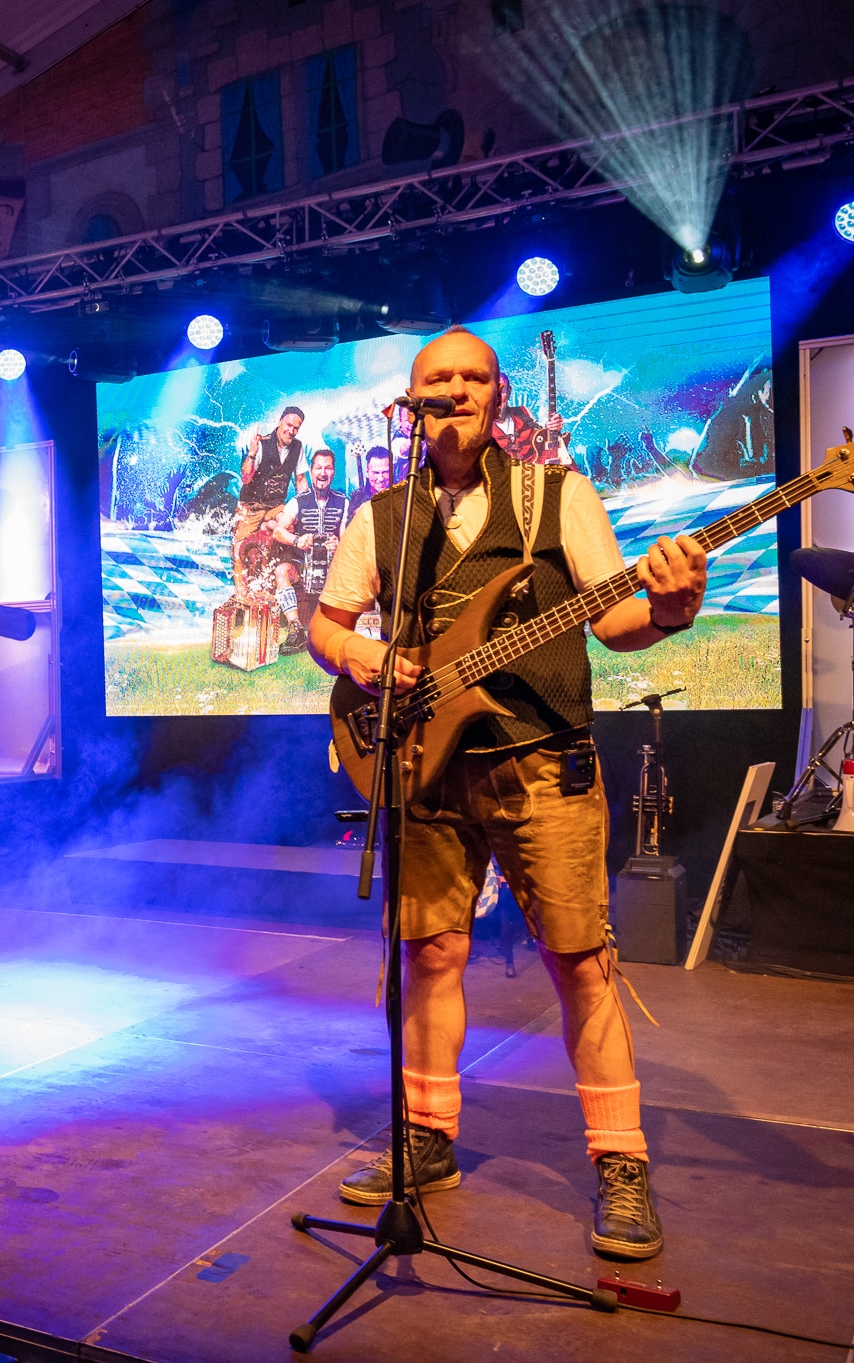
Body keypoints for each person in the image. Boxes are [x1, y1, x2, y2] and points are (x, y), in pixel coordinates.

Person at [310, 326, 707, 1261]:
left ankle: (620, 1158)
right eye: (437, 379)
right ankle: (427, 1136)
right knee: (431, 953)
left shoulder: (558, 495)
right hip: (423, 765)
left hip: (543, 760)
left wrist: (670, 608)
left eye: (473, 377)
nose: (455, 389)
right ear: (410, 403)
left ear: (498, 396)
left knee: (580, 960)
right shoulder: (383, 516)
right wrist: (368, 657)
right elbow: (326, 628)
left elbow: (614, 616)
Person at [272, 448, 350, 636]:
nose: (323, 473)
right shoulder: (298, 501)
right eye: (318, 468)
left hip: (332, 568)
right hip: (302, 566)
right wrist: (297, 540)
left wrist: (339, 546)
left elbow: (347, 538)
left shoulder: (343, 501)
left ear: (333, 472)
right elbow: (278, 531)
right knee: (282, 571)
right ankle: (295, 628)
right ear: (311, 471)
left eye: (328, 468)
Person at [234, 407, 306, 591]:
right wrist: (251, 454)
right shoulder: (262, 444)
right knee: (239, 549)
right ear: (280, 422)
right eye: (288, 425)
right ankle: (241, 594)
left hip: (275, 506)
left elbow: (300, 479)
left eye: (296, 428)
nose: (291, 430)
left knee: (289, 525)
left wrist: (304, 506)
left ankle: (280, 579)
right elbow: (246, 478)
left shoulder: (298, 447)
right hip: (251, 506)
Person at [347, 447, 393, 525]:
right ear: (367, 472)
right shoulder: (357, 498)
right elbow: (348, 529)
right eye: (375, 473)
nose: (381, 478)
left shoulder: (402, 496)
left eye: (385, 472)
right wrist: (355, 519)